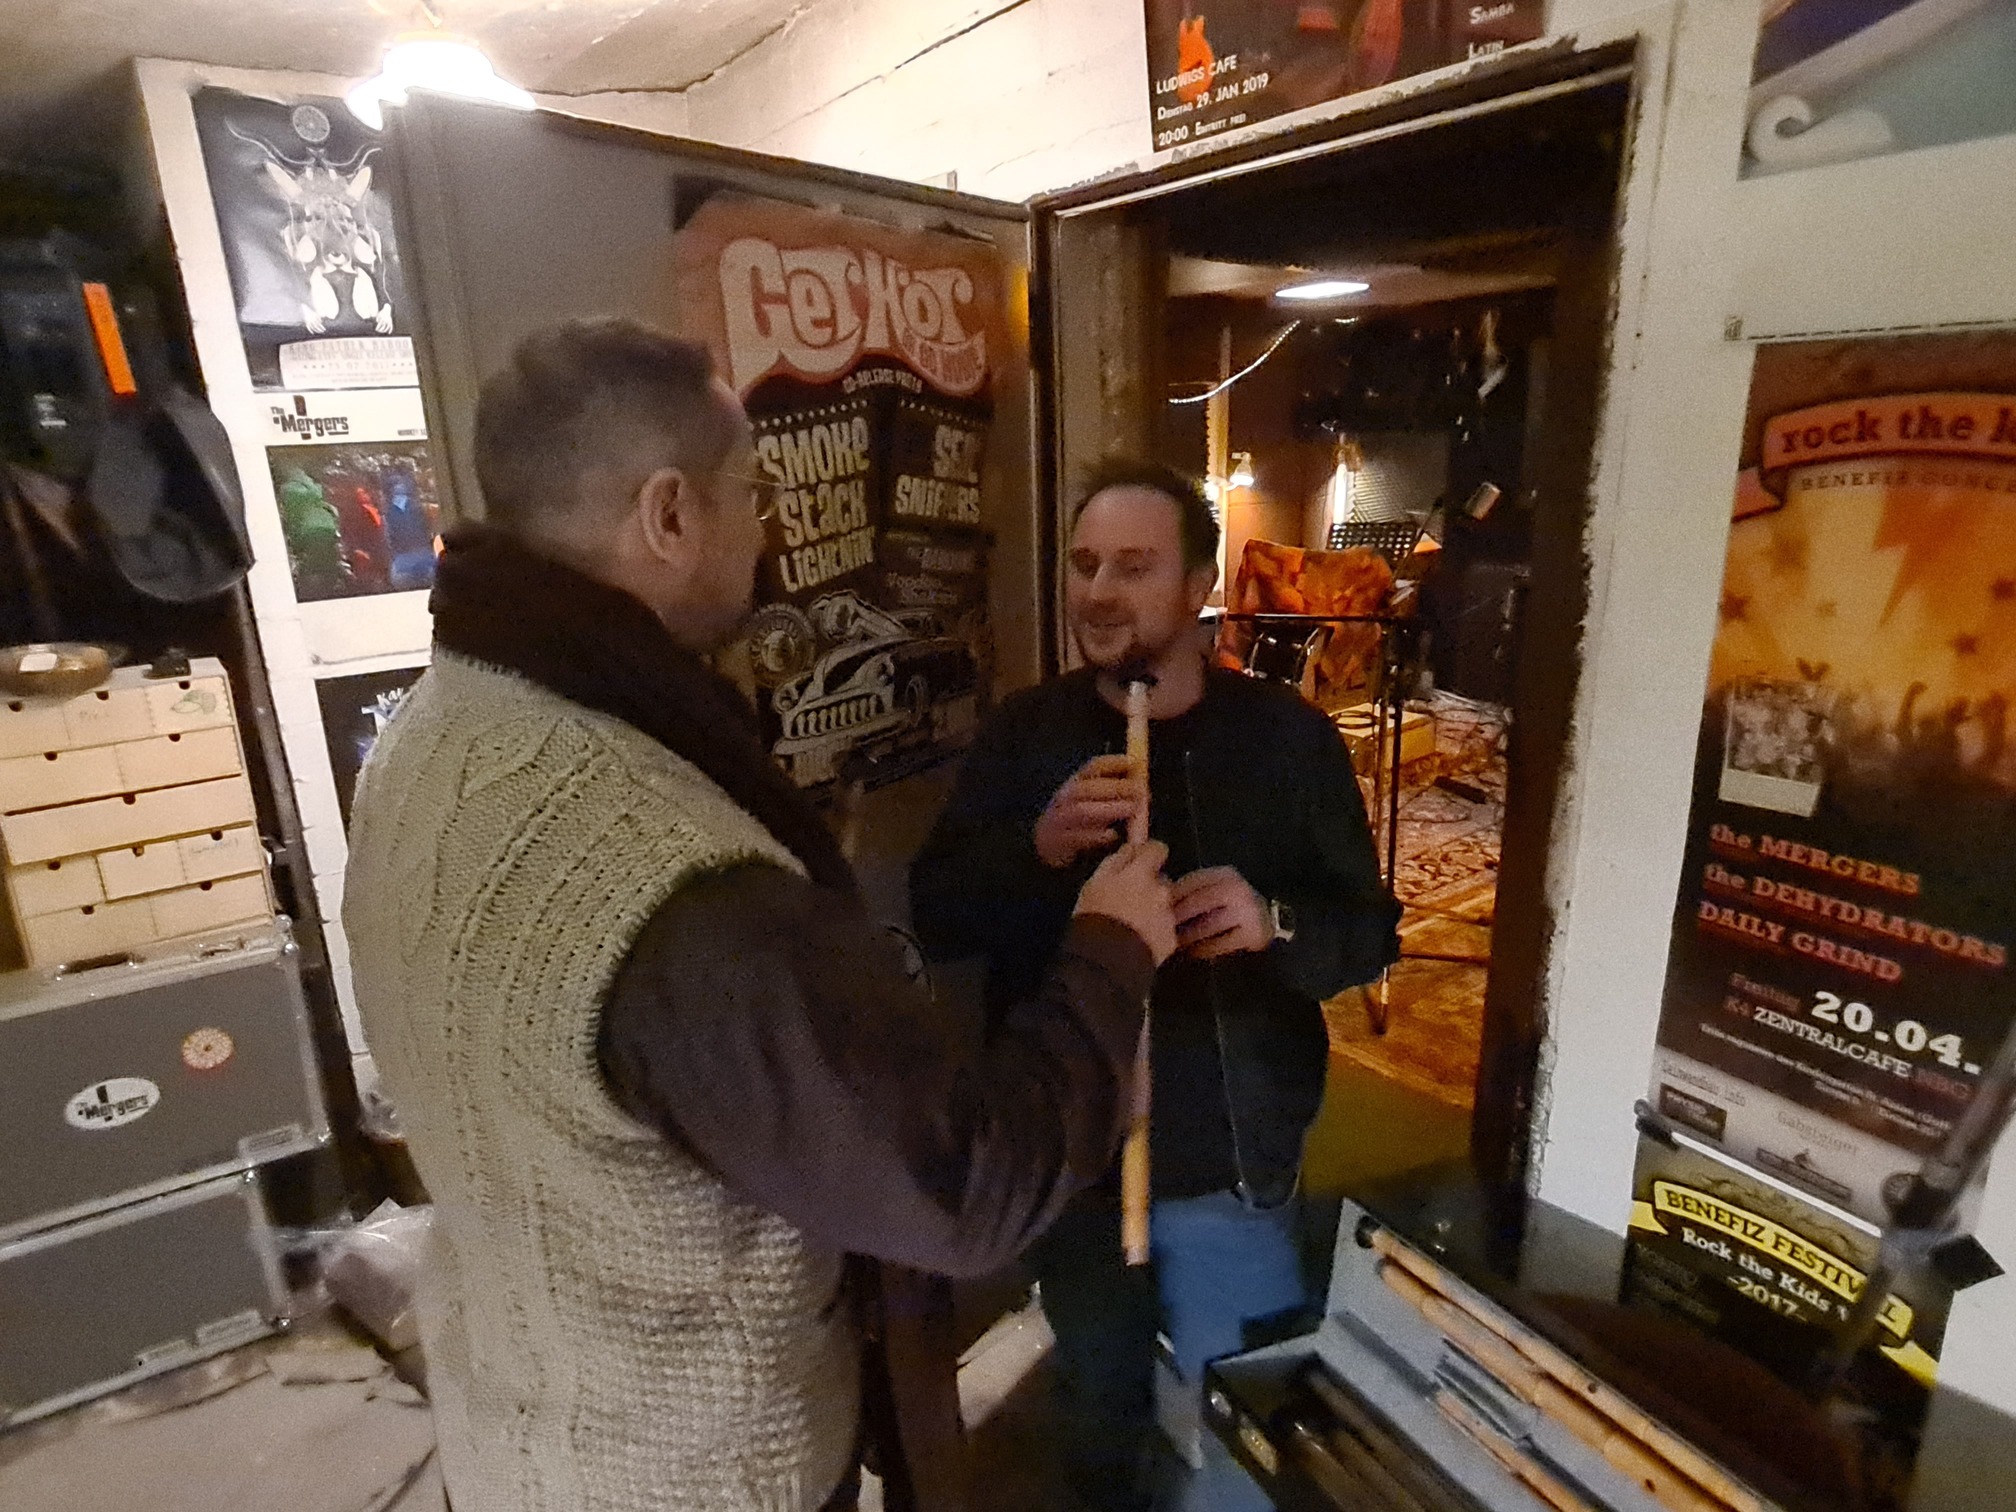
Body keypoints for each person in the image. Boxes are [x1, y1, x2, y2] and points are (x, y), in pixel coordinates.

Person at [343, 321, 1181, 1512]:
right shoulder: (669, 879)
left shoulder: (424, 740)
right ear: (670, 516)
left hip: (516, 1426)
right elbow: (960, 1186)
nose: (770, 527)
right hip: (680, 1479)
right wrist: (1110, 951)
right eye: (754, 493)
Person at [910, 459, 1400, 1511]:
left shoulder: (1289, 741)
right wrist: (1037, 849)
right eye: (1084, 564)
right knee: (1098, 1411)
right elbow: (940, 913)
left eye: (1133, 567)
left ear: (1197, 587)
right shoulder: (1023, 735)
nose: (1098, 591)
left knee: (1241, 1429)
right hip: (1076, 1161)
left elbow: (1368, 937)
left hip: (1230, 1162)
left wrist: (1273, 922)